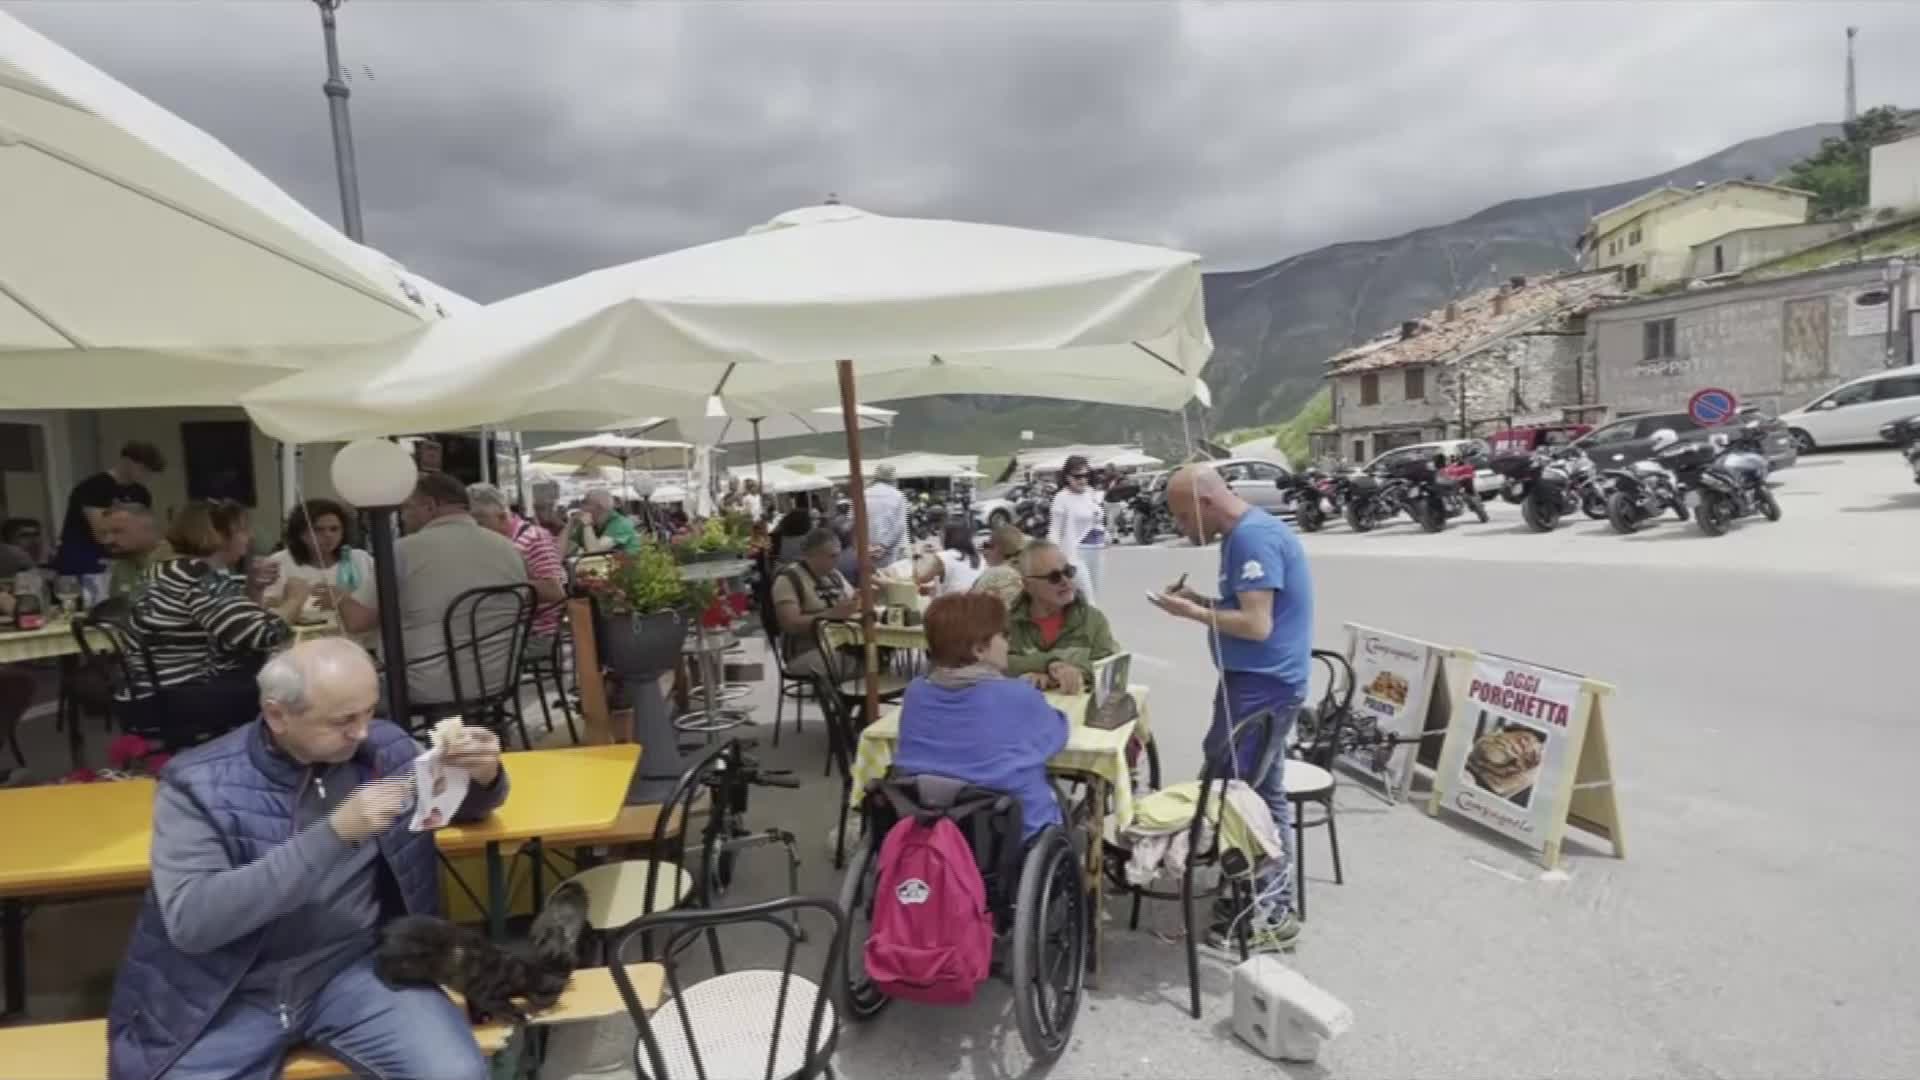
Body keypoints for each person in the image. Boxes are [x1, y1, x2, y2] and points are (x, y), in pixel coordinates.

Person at [105, 639, 509, 1080]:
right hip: (229, 989)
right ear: (277, 715)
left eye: (369, 711)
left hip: (357, 970)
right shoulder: (198, 784)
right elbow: (194, 921)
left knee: (456, 1074)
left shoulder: (384, 750)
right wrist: (334, 835)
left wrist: (483, 775)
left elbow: (452, 805)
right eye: (342, 721)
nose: (361, 732)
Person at [1147, 464, 1314, 952]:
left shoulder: (1251, 539)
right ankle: (1268, 901)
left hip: (1263, 686)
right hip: (1258, 681)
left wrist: (1193, 612)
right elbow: (1245, 606)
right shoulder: (1240, 535)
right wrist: (1204, 600)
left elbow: (1258, 625)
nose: (1180, 528)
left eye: (1181, 517)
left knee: (1236, 794)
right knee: (1264, 791)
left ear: (1206, 503)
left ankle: (1264, 910)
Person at [337, 474, 528, 710]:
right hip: (500, 678)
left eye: (407, 507)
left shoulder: (404, 550)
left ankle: (395, 746)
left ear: (429, 506)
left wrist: (338, 593)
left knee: (339, 693)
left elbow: (357, 622)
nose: (403, 516)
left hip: (427, 685)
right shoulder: (509, 547)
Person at [127, 500, 311, 744]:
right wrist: (296, 598)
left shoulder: (166, 570)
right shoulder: (198, 578)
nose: (249, 536)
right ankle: (287, 766)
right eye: (243, 530)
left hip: (149, 693)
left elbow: (234, 629)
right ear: (220, 536)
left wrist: (253, 589)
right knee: (298, 691)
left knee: (270, 678)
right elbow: (265, 633)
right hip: (178, 697)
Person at [893, 593, 1068, 840]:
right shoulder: (1017, 695)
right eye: (1004, 635)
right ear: (979, 649)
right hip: (1006, 830)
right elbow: (1056, 735)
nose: (1009, 642)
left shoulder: (916, 693)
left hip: (928, 823)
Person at [1004, 540, 1119, 693]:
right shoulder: (1007, 623)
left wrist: (1077, 674)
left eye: (1068, 572)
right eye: (1054, 577)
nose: (1065, 581)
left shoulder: (1092, 620)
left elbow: (1111, 670)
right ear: (1028, 585)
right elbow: (998, 665)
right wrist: (1044, 666)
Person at [468, 482, 566, 651]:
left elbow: (554, 591)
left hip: (533, 634)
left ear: (502, 516)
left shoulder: (535, 537)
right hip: (503, 629)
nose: (475, 530)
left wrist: (498, 589)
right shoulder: (491, 542)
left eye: (480, 523)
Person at [53, 440, 164, 576]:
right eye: (143, 469)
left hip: (124, 560)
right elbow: (102, 532)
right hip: (84, 558)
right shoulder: (93, 487)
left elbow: (145, 529)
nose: (146, 475)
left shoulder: (141, 493)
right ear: (127, 461)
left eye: (150, 472)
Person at [770, 527, 860, 678]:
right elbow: (789, 624)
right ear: (811, 555)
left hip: (840, 645)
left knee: (877, 655)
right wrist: (830, 615)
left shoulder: (834, 575)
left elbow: (850, 602)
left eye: (838, 555)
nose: (838, 560)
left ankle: (850, 699)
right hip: (805, 652)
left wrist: (860, 599)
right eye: (832, 556)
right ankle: (843, 700)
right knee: (864, 664)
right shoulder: (789, 579)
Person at [260, 500, 374, 618]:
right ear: (300, 533)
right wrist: (294, 600)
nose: (328, 535)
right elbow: (265, 607)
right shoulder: (280, 561)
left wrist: (343, 601)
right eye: (318, 529)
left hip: (358, 634)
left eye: (334, 529)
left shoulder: (361, 559)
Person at [1047, 454, 1107, 605]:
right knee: (1088, 600)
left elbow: (1097, 519)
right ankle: (1093, 627)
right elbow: (1055, 530)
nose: (1083, 480)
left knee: (1094, 595)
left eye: (1086, 475)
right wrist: (1054, 558)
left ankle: (1084, 627)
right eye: (1078, 476)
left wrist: (1106, 533)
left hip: (1097, 549)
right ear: (1067, 477)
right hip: (1075, 554)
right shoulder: (1062, 498)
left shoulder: (1091, 493)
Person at [105, 503, 175, 599]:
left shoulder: (178, 564)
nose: (109, 540)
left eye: (117, 531)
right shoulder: (122, 565)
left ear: (146, 530)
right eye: (106, 533)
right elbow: (117, 610)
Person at [917, 521, 984, 597]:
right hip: (974, 604)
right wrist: (931, 589)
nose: (939, 538)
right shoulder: (980, 558)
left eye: (941, 534)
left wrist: (919, 556)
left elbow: (921, 578)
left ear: (948, 537)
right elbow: (962, 585)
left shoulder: (944, 557)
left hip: (951, 605)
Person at [566, 489, 642, 556]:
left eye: (585, 502)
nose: (581, 507)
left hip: (628, 569)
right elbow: (566, 550)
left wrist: (587, 525)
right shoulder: (587, 523)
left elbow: (594, 552)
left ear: (600, 506)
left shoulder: (621, 523)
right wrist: (571, 523)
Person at [969, 524, 1027, 608]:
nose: (984, 552)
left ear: (997, 548)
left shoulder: (993, 575)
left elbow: (970, 607)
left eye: (987, 546)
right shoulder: (1029, 569)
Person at [863, 464, 910, 566]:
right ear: (893, 479)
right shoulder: (898, 496)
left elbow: (852, 522)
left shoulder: (862, 494)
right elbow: (900, 525)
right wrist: (883, 546)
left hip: (865, 549)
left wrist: (867, 546)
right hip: (890, 550)